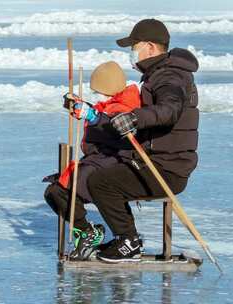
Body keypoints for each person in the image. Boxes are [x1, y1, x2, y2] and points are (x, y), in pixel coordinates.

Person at [86, 19, 200, 263]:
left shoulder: (169, 76)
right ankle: (126, 239)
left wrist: (134, 118)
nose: (132, 53)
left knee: (101, 183)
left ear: (149, 47)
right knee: (103, 174)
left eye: (134, 46)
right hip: (157, 161)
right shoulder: (160, 74)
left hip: (167, 168)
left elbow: (169, 110)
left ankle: (128, 242)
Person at [44, 61, 142, 260]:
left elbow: (111, 126)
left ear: (108, 87)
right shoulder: (111, 103)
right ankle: (88, 230)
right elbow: (99, 114)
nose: (97, 95)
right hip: (98, 160)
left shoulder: (125, 106)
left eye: (99, 90)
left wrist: (91, 114)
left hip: (112, 161)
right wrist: (78, 107)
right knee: (56, 190)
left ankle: (93, 232)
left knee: (58, 190)